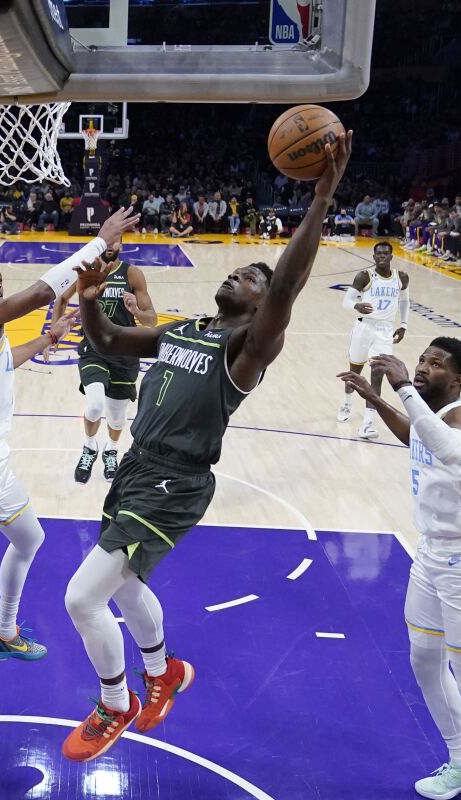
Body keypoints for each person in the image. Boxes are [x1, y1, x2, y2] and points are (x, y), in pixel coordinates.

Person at [59, 132, 351, 762]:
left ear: (260, 304)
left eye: (248, 277)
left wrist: (322, 196)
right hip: (136, 467)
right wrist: (86, 302)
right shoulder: (186, 328)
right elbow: (110, 340)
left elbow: (288, 284)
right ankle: (163, 672)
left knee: (81, 597)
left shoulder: (248, 349)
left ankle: (115, 703)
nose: (234, 274)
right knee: (127, 585)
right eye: (236, 270)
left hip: (175, 480)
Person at [0, 212, 136, 763]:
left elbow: (3, 366)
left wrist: (45, 338)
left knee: (30, 538)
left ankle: (7, 631)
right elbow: (44, 288)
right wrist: (98, 242)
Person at [338, 341, 461, 800]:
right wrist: (377, 401)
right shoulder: (430, 420)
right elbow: (418, 435)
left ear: (458, 379)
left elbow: (449, 449)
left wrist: (404, 385)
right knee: (425, 661)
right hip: (429, 556)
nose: (425, 367)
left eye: (436, 365)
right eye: (423, 360)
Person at [53, 248, 157, 483]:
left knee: (117, 419)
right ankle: (89, 447)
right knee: (95, 405)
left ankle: (111, 449)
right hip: (94, 348)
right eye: (106, 240)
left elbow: (152, 320)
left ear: (120, 243)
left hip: (125, 351)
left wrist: (137, 311)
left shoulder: (132, 274)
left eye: (115, 241)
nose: (111, 245)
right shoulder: (86, 271)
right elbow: (61, 298)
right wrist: (54, 332)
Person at [336, 241, 410, 439]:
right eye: (379, 254)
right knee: (355, 371)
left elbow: (404, 301)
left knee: (377, 375)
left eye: (386, 253)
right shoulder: (364, 276)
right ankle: (347, 402)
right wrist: (357, 307)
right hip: (364, 327)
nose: (382, 256)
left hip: (384, 331)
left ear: (392, 256)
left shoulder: (401, 277)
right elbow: (347, 301)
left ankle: (367, 424)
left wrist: (403, 325)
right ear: (374, 256)